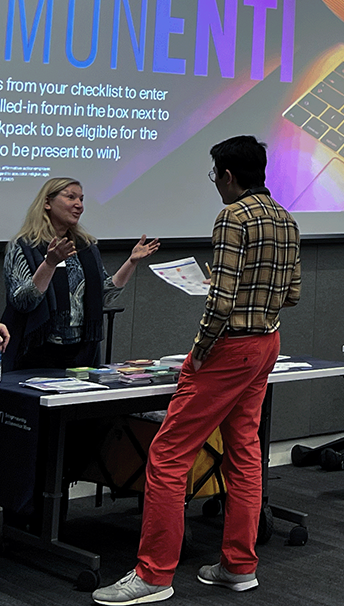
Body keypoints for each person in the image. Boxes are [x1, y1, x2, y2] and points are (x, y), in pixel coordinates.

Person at [93, 137, 301, 605]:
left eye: (215, 177)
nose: (216, 187)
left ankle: (153, 574)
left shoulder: (232, 217)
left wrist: (201, 349)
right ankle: (238, 566)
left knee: (168, 454)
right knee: (244, 452)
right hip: (267, 341)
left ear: (228, 175)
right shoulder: (286, 219)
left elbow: (222, 303)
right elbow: (291, 295)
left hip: (228, 349)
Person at [2, 178, 158, 373]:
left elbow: (104, 295)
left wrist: (131, 262)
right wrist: (49, 264)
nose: (79, 205)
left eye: (82, 199)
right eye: (71, 197)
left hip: (81, 353)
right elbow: (21, 301)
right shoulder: (24, 246)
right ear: (47, 203)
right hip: (35, 352)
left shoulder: (85, 247)